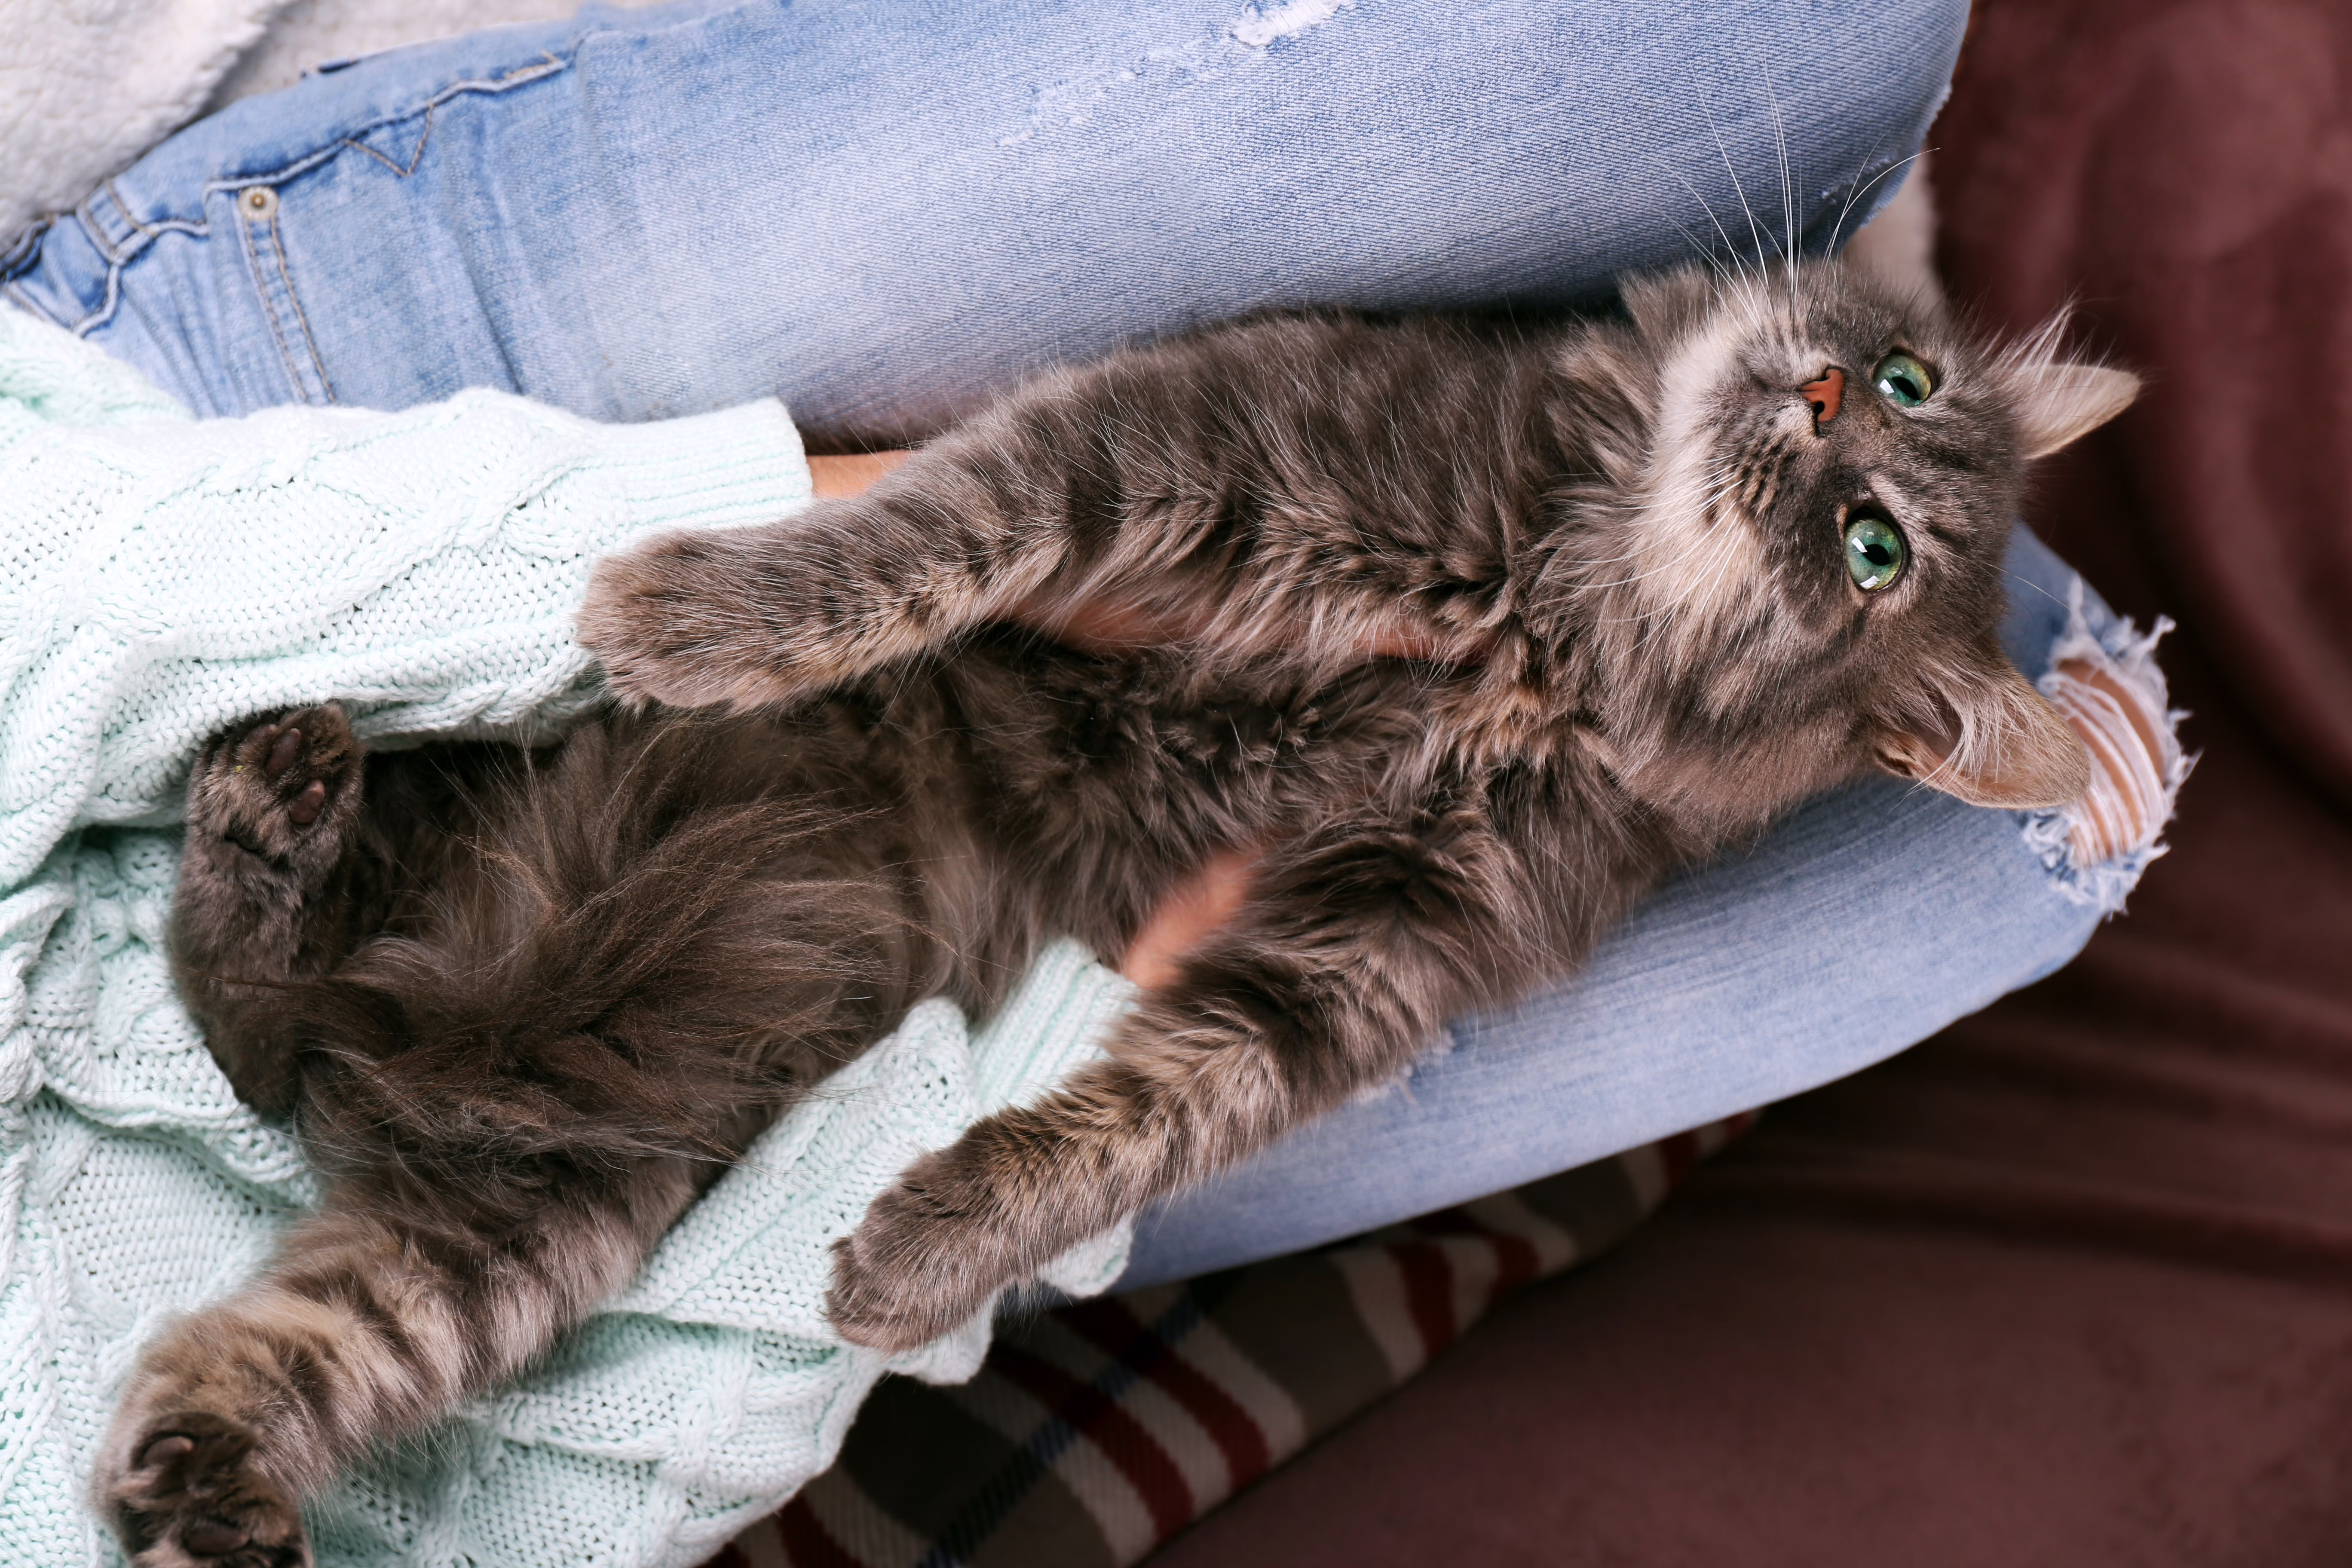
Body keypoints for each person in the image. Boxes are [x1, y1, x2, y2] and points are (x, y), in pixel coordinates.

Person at [0, 0, 2165, 1288]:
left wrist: (834, 547)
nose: (1825, 416)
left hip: (220, 473)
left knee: (1802, 62)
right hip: (778, 893)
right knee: (2050, 808)